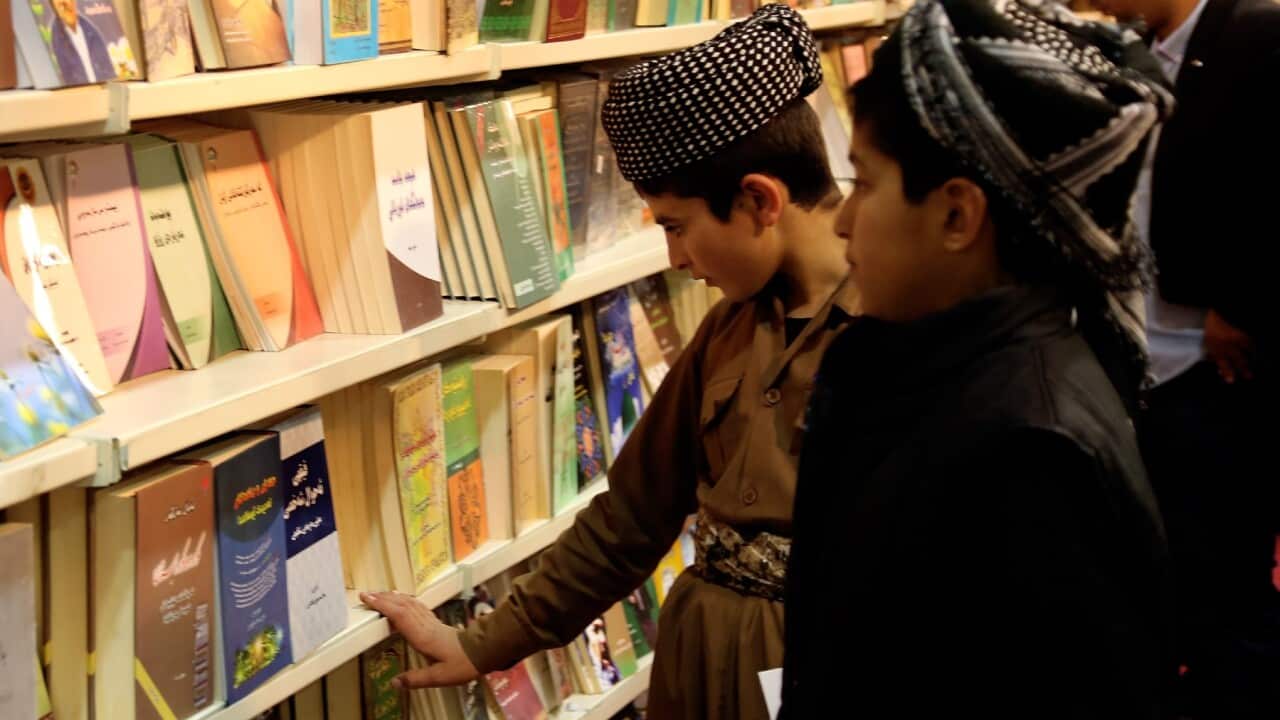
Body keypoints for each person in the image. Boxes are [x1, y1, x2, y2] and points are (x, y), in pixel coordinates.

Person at [361, 6, 857, 718]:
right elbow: (632, 514)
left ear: (759, 200)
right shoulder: (729, 328)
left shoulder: (900, 334)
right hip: (698, 676)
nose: (677, 261)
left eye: (678, 228)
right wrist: (481, 644)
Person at [781, 0, 1176, 716]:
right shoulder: (918, 366)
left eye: (864, 183)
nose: (841, 219)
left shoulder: (1034, 450)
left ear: (957, 215)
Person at [1087, 0, 1280, 713]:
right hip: (1139, 369)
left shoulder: (1256, 34)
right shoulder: (1128, 53)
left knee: (1230, 597)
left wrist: (1244, 303)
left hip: (1215, 373)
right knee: (1170, 589)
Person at [48, 0, 117, 85]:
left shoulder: (91, 30)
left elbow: (109, 72)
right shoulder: (55, 39)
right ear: (53, 6)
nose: (66, 3)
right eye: (61, 3)